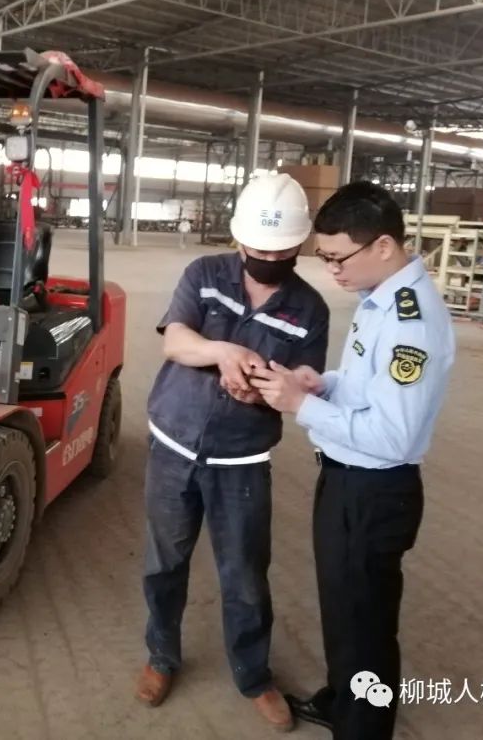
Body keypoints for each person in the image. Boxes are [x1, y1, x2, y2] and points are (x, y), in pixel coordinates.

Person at [250, 181, 456, 740]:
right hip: (347, 481)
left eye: (338, 258)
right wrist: (322, 384)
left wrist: (301, 406)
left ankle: (363, 726)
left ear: (383, 246)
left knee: (364, 622)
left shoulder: (411, 322)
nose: (332, 270)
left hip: (373, 491)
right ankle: (344, 698)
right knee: (343, 609)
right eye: (324, 257)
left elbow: (392, 435)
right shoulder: (379, 297)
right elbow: (368, 385)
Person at [136, 174, 330, 733]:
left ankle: (253, 675)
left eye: (281, 251)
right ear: (239, 238)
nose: (268, 259)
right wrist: (222, 351)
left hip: (241, 460)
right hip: (174, 444)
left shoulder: (309, 309)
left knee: (244, 575)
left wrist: (267, 391)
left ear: (299, 244)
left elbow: (303, 382)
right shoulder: (204, 274)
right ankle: (161, 656)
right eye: (258, 249)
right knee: (164, 563)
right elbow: (176, 340)